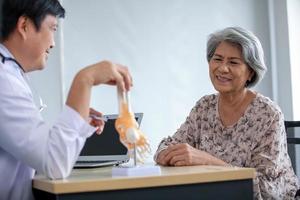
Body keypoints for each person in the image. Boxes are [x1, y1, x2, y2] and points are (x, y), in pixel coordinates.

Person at [0, 0, 132, 199]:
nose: (53, 42)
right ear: (24, 25)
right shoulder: (4, 81)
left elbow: (35, 151)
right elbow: (55, 164)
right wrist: (84, 79)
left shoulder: (11, 75)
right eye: (52, 28)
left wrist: (76, 119)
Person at [154, 27, 299, 199]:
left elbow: (266, 190)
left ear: (250, 72)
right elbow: (167, 146)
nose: (222, 68)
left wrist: (208, 161)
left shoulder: (268, 113)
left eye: (233, 62)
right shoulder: (204, 106)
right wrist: (167, 154)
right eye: (217, 59)